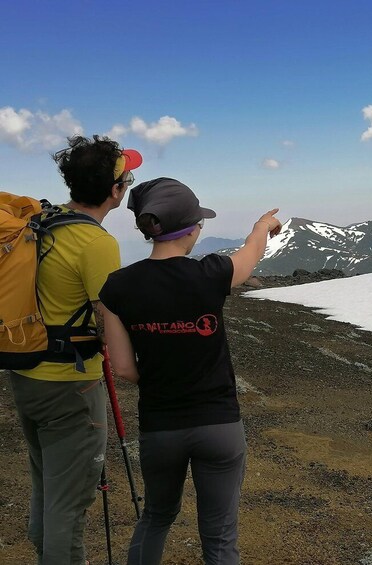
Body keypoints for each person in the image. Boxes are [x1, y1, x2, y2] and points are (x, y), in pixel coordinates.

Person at [98, 177, 281, 565]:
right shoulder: (211, 273)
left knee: (156, 517)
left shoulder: (117, 288)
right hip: (219, 425)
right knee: (219, 535)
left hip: (160, 427)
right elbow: (250, 256)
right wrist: (261, 227)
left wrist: (165, 378)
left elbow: (124, 368)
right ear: (194, 229)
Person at [10, 135, 142, 564]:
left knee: (48, 483)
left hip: (26, 373)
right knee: (70, 501)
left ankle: (43, 548)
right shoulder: (96, 244)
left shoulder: (44, 221)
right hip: (72, 388)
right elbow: (109, 325)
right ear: (114, 190)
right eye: (127, 178)